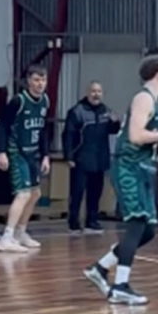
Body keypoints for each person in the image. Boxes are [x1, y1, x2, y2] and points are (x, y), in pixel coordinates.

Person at [82, 54, 158, 305]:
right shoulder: (144, 99)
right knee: (136, 224)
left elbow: (146, 139)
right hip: (129, 168)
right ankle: (120, 286)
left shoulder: (154, 102)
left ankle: (100, 268)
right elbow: (135, 136)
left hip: (143, 169)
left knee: (148, 231)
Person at [0, 64, 51, 253]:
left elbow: (43, 130)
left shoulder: (45, 101)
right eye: (36, 80)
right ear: (28, 81)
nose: (40, 83)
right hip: (16, 151)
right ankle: (6, 237)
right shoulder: (18, 101)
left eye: (43, 80)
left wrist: (45, 155)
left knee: (35, 194)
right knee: (24, 194)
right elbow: (2, 126)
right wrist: (2, 151)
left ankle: (20, 232)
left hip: (32, 153)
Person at [62, 81, 121, 234]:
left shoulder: (105, 111)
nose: (96, 94)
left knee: (95, 192)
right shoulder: (77, 111)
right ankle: (73, 223)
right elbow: (68, 135)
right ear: (87, 93)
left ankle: (92, 222)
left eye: (99, 91)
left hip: (99, 159)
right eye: (93, 91)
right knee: (77, 192)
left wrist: (116, 122)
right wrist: (69, 156)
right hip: (81, 158)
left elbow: (113, 131)